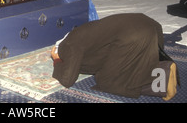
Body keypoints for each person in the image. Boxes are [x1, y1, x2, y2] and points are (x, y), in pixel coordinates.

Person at [51, 13, 179, 100]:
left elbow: (67, 80)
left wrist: (56, 59)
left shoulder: (69, 45)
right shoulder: (81, 32)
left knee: (108, 81)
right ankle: (157, 65)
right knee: (123, 63)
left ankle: (163, 76)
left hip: (133, 35)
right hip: (148, 23)